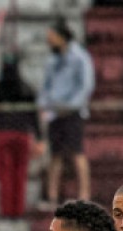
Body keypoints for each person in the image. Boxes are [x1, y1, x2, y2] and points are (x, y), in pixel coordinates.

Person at [38, 20, 94, 204]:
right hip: (55, 112)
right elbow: (45, 87)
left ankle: (84, 195)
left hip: (73, 112)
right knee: (55, 155)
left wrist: (70, 106)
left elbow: (85, 86)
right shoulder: (51, 60)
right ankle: (52, 197)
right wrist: (45, 106)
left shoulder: (80, 57)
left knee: (77, 152)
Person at [0, 55, 40, 218]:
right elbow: (34, 116)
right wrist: (39, 137)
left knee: (5, 174)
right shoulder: (27, 89)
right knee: (20, 173)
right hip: (22, 134)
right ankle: (18, 210)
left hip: (3, 134)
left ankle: (7, 210)